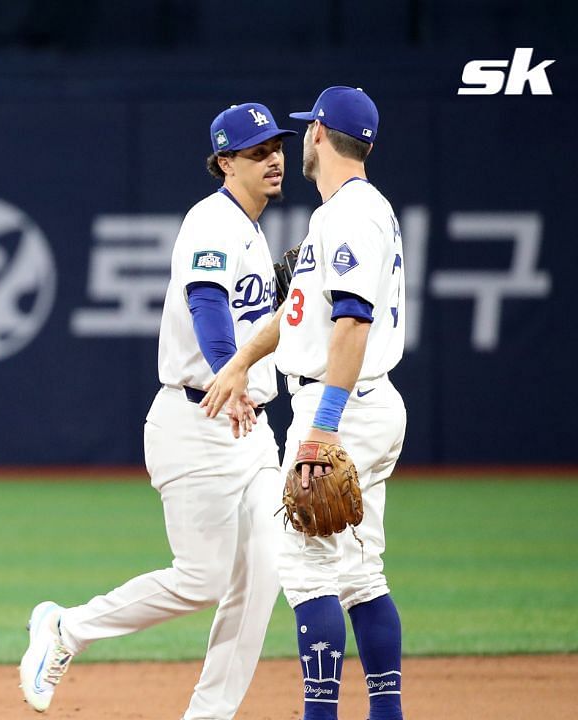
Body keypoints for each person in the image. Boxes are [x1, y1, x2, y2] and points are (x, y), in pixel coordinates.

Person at [18, 103, 295, 718]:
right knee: (203, 580)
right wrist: (235, 372)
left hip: (249, 427)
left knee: (265, 576)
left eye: (276, 146)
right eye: (257, 151)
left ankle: (209, 713)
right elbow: (206, 305)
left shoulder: (250, 228)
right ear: (225, 162)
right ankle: (67, 628)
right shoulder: (211, 220)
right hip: (198, 420)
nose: (274, 159)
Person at [201, 86, 407, 720]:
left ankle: (320, 714)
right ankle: (386, 713)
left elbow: (351, 323)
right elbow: (302, 315)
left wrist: (322, 431)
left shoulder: (349, 215)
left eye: (303, 133)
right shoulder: (350, 212)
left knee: (307, 572)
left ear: (318, 134)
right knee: (360, 575)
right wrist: (239, 362)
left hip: (339, 407)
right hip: (363, 404)